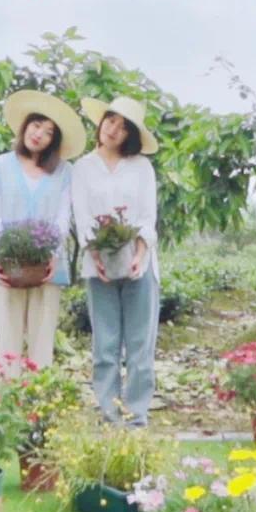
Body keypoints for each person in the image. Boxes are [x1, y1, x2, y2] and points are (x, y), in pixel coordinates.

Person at [0, 89, 86, 377]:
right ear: (25, 126)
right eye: (36, 124)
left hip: (48, 269)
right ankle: (8, 408)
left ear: (55, 141)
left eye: (49, 132)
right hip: (4, 267)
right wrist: (1, 257)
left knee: (42, 345)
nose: (39, 134)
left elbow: (63, 216)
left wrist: (53, 254)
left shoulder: (64, 172)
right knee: (8, 348)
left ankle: (40, 409)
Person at [71, 95, 160, 426]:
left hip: (141, 267)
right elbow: (81, 218)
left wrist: (138, 255)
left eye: (123, 127)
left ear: (130, 136)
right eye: (110, 121)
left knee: (140, 349)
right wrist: (95, 256)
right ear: (101, 122)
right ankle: (110, 417)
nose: (113, 130)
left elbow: (148, 218)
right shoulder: (82, 168)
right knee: (105, 347)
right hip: (99, 269)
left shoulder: (141, 168)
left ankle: (136, 418)